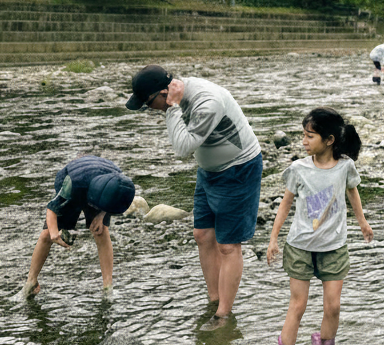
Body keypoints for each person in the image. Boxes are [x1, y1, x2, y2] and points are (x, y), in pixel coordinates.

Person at [126, 64, 263, 326]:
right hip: (209, 171)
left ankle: (223, 314)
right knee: (202, 235)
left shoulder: (206, 102)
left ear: (164, 93)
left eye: (148, 103)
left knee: (228, 245)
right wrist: (172, 107)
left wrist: (173, 108)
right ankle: (213, 300)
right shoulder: (175, 98)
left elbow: (182, 148)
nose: (149, 110)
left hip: (239, 169)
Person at [267, 107, 374, 345]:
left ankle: (324, 342)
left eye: (309, 136)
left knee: (333, 306)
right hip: (300, 246)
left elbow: (352, 192)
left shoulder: (345, 166)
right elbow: (284, 206)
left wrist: (363, 223)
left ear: (329, 140)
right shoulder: (298, 169)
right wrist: (273, 239)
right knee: (298, 306)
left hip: (334, 246)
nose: (303, 141)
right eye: (303, 135)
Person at [21, 155, 136, 298]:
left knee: (101, 231)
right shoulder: (71, 184)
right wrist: (54, 233)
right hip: (75, 183)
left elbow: (112, 204)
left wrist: (100, 215)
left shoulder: (118, 184)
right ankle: (31, 281)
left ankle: (108, 287)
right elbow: (51, 209)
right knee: (46, 235)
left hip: (101, 186)